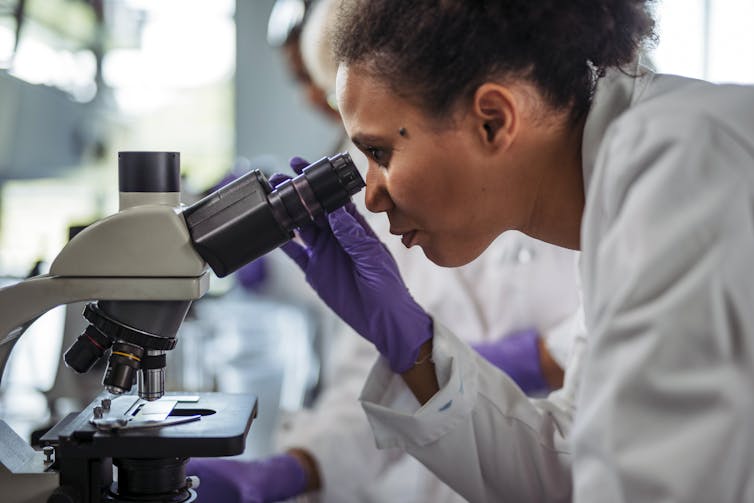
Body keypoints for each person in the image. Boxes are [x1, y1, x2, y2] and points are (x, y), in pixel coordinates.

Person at [262, 0, 754, 501]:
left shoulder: (676, 161)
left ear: (493, 120)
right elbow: (573, 462)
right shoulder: (618, 185)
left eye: (381, 153)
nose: (371, 193)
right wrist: (414, 350)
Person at [186, 1, 584, 501]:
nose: (373, 194)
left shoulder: (627, 181)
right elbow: (368, 387)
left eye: (377, 151)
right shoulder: (398, 188)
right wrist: (289, 468)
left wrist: (542, 356)